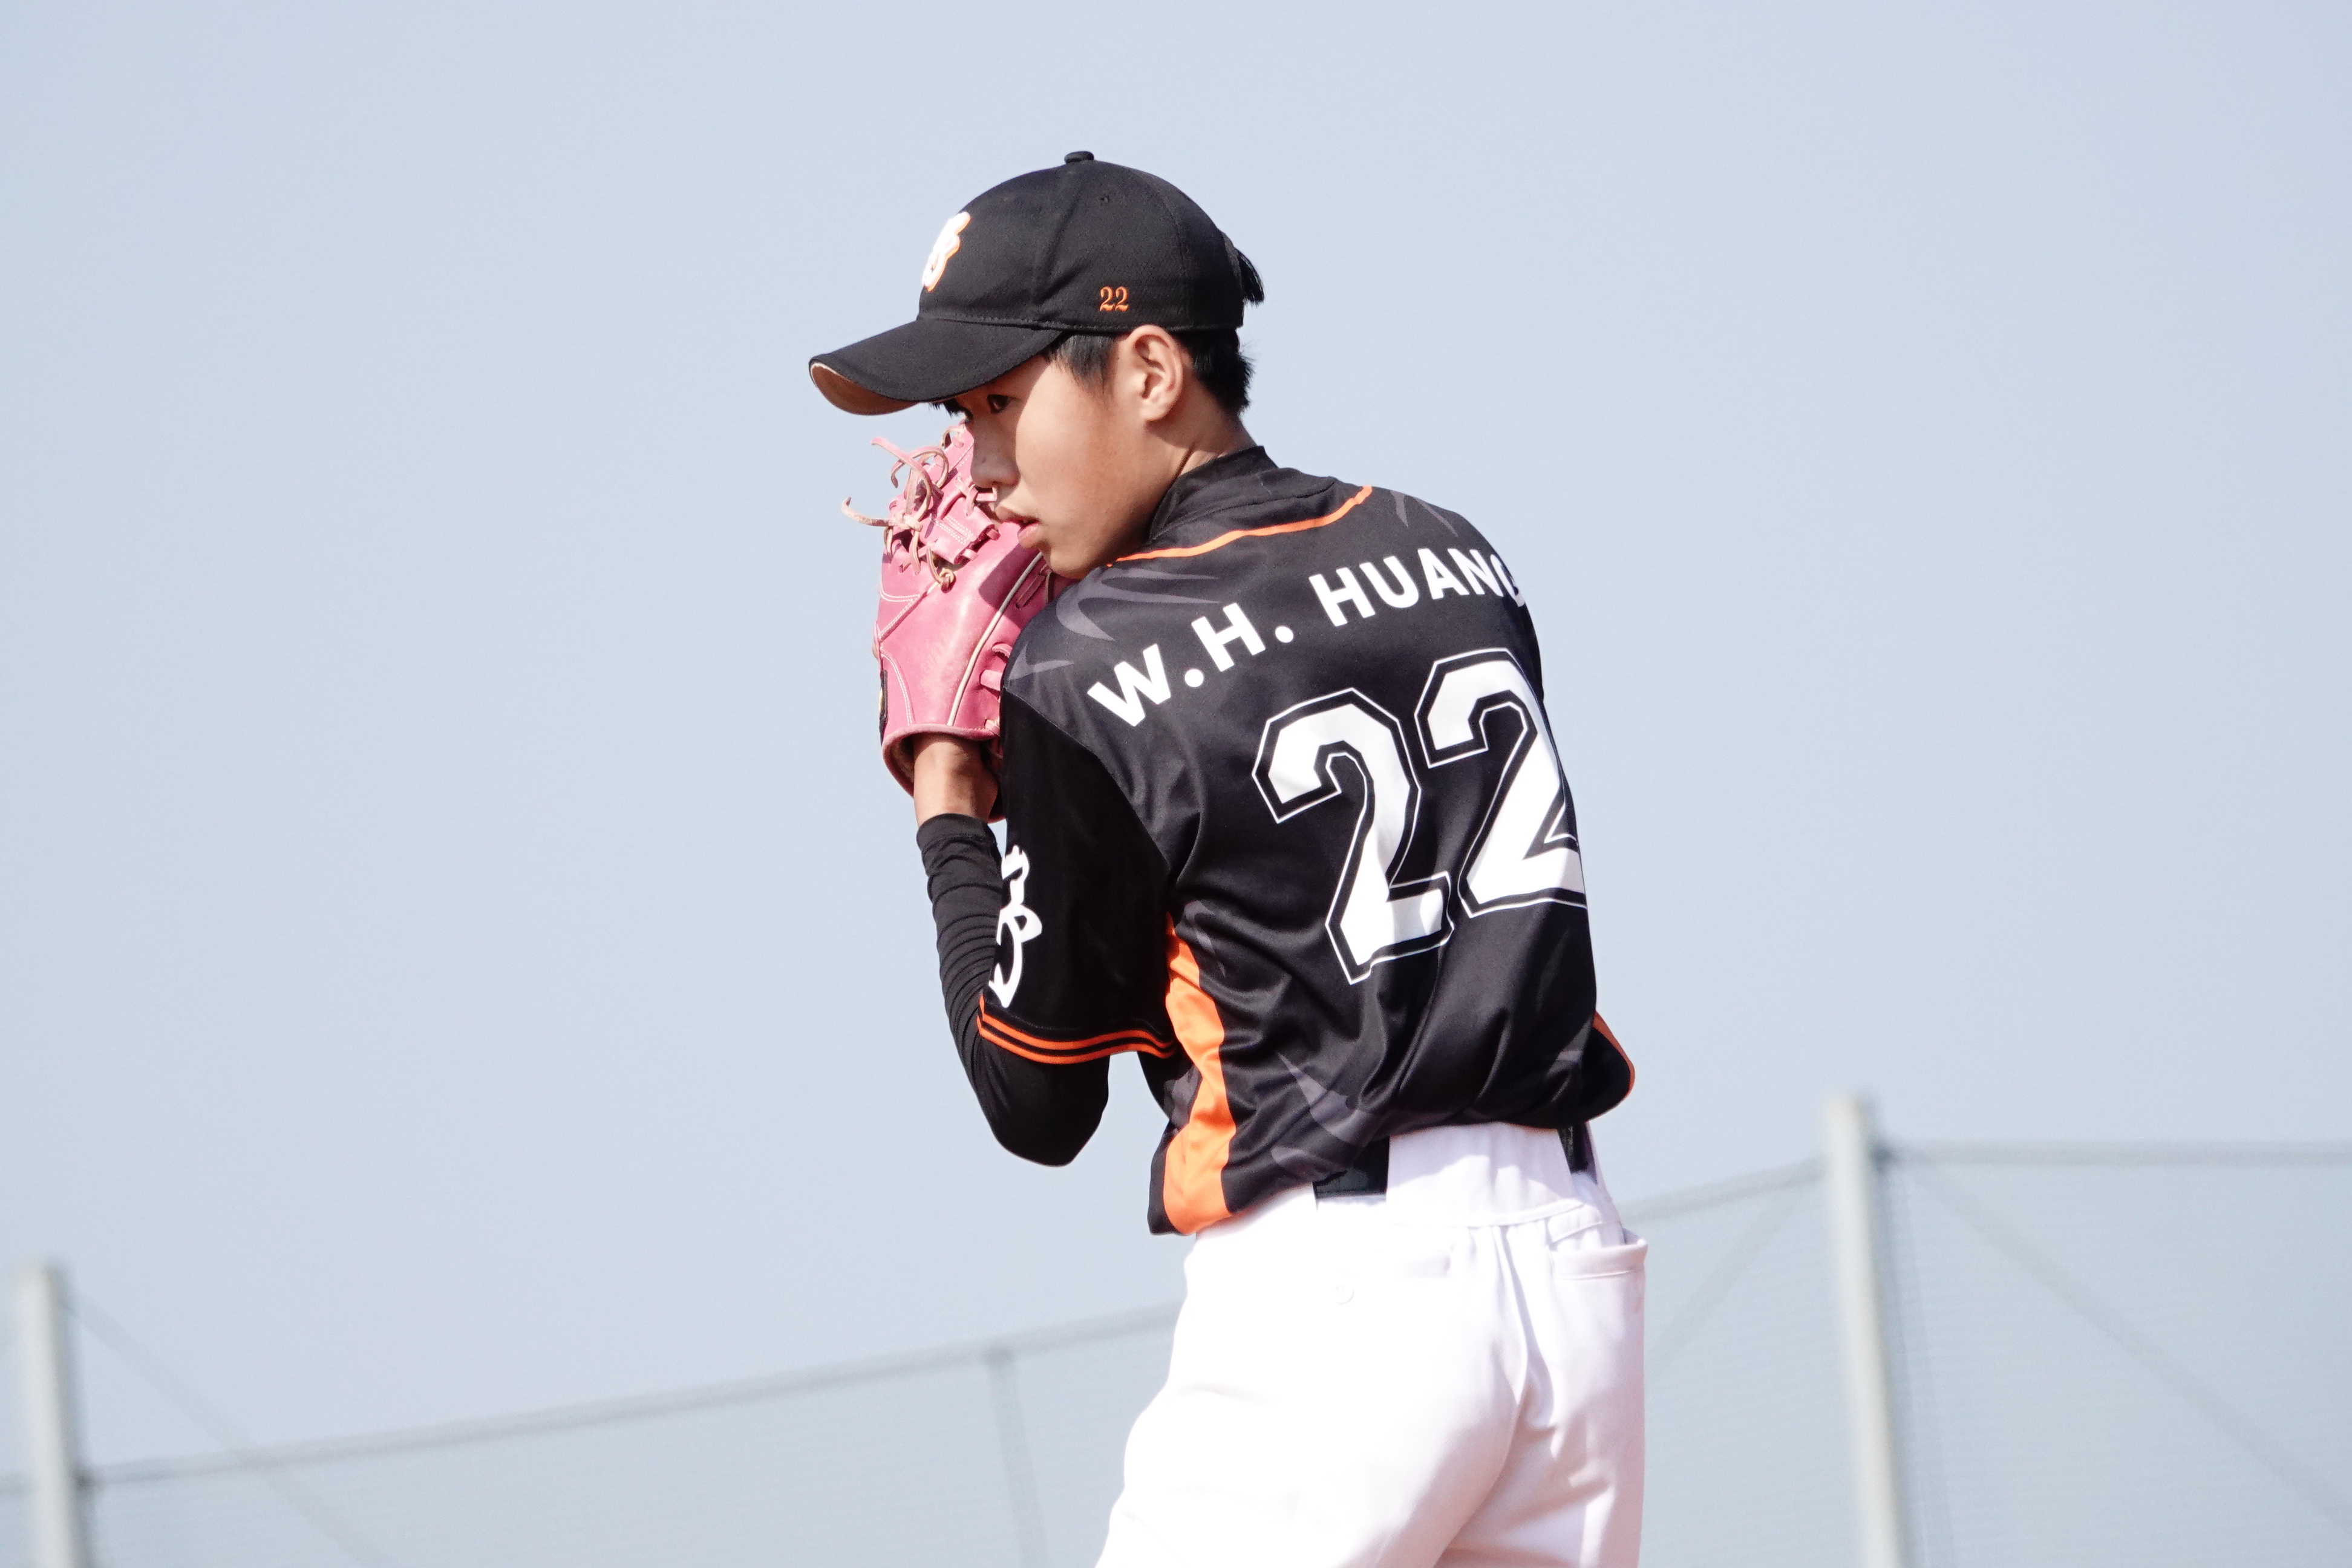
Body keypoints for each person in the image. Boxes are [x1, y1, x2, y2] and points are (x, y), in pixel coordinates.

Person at [810, 152, 1644, 1568]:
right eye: (962, 423)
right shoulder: (1454, 555)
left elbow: (1035, 1101)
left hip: (1340, 1305)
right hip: (1574, 1281)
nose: (984, 475)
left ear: (1150, 370)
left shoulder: (1086, 663)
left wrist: (950, 796)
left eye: (1002, 403)